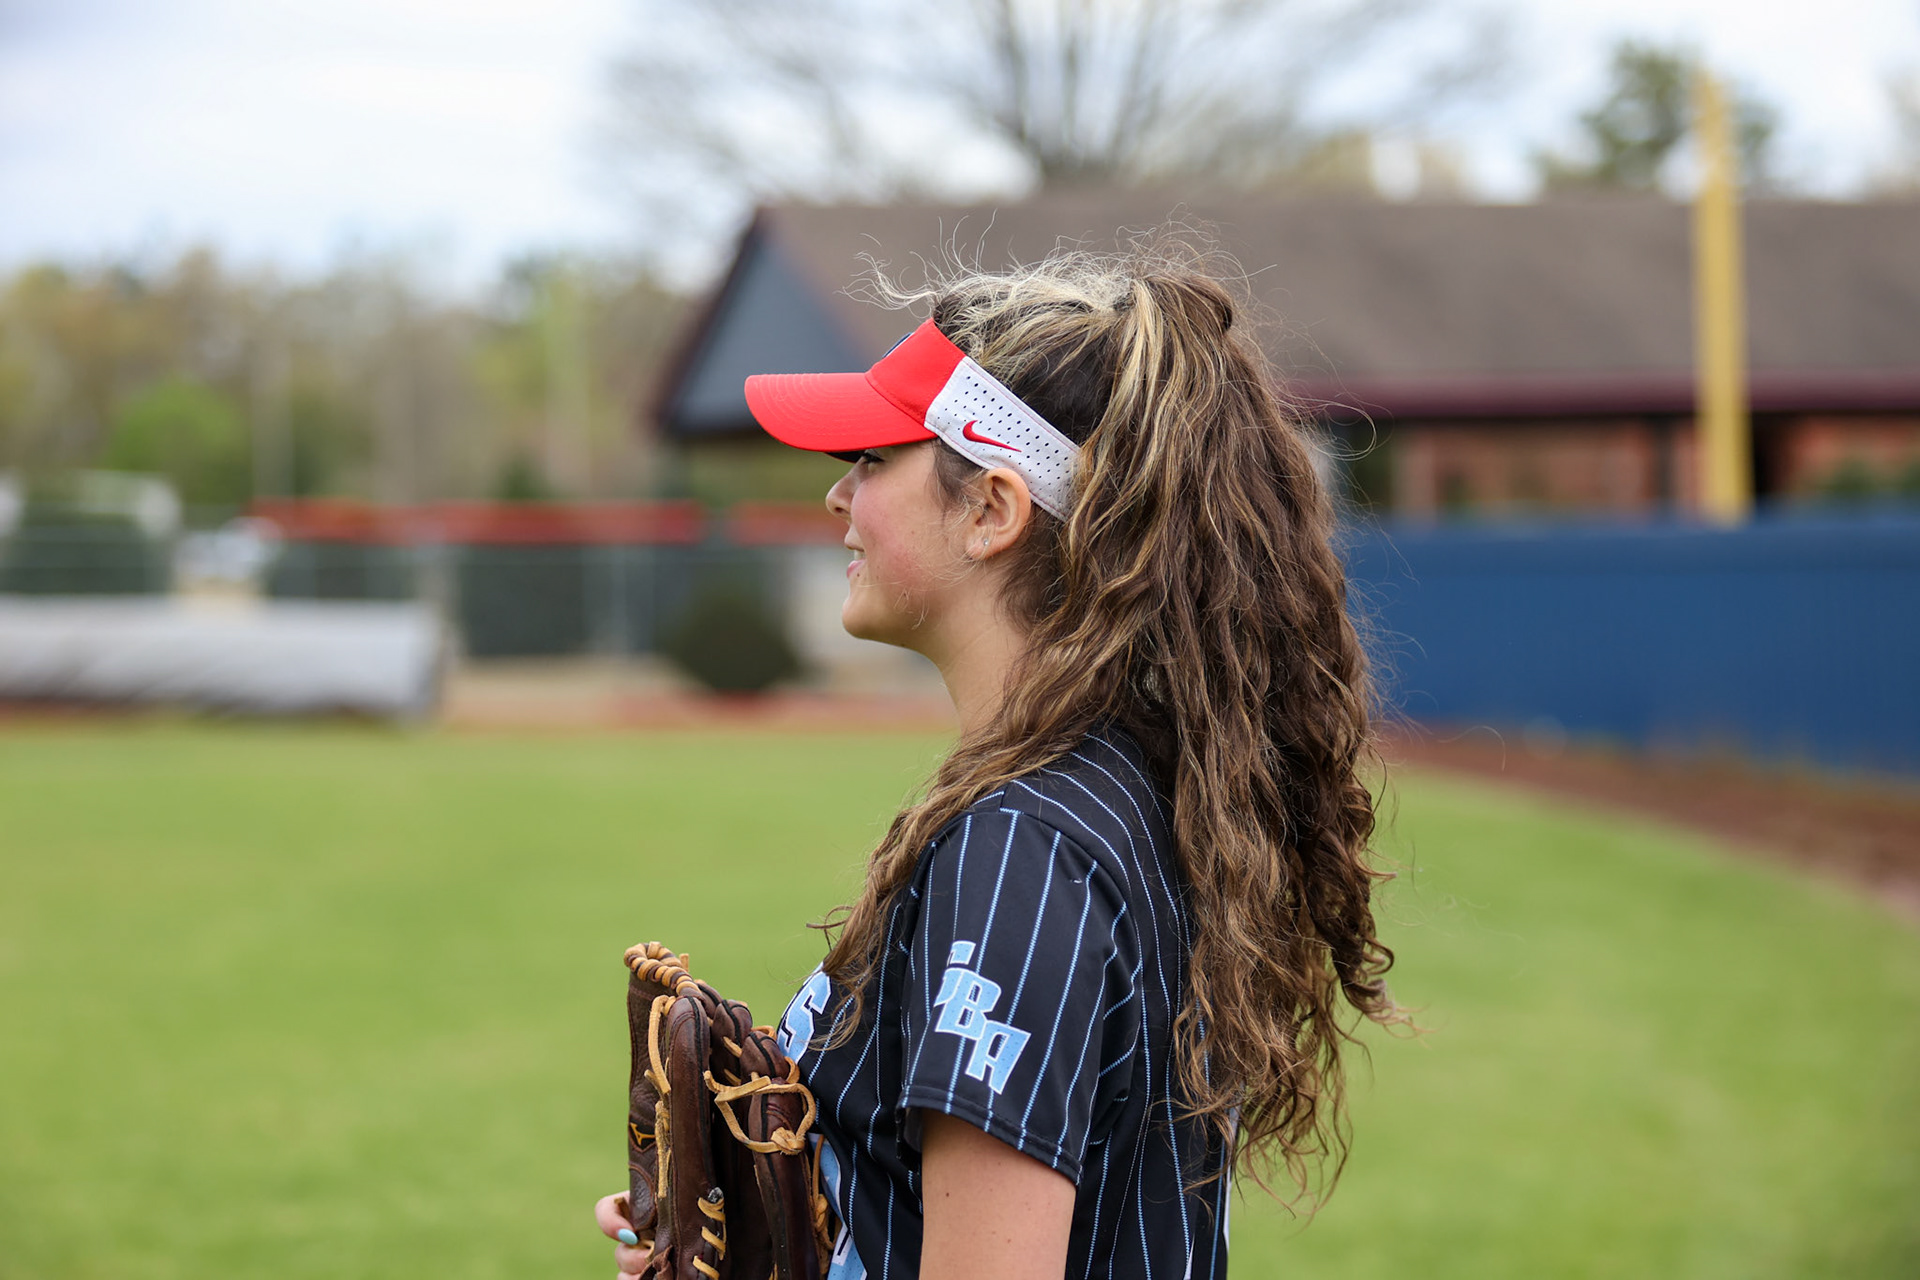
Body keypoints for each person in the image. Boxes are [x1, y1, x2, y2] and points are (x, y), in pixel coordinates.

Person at [595, 246, 1400, 1279]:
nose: (839, 497)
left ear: (992, 510)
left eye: (874, 457)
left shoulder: (1021, 846)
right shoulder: (1120, 788)